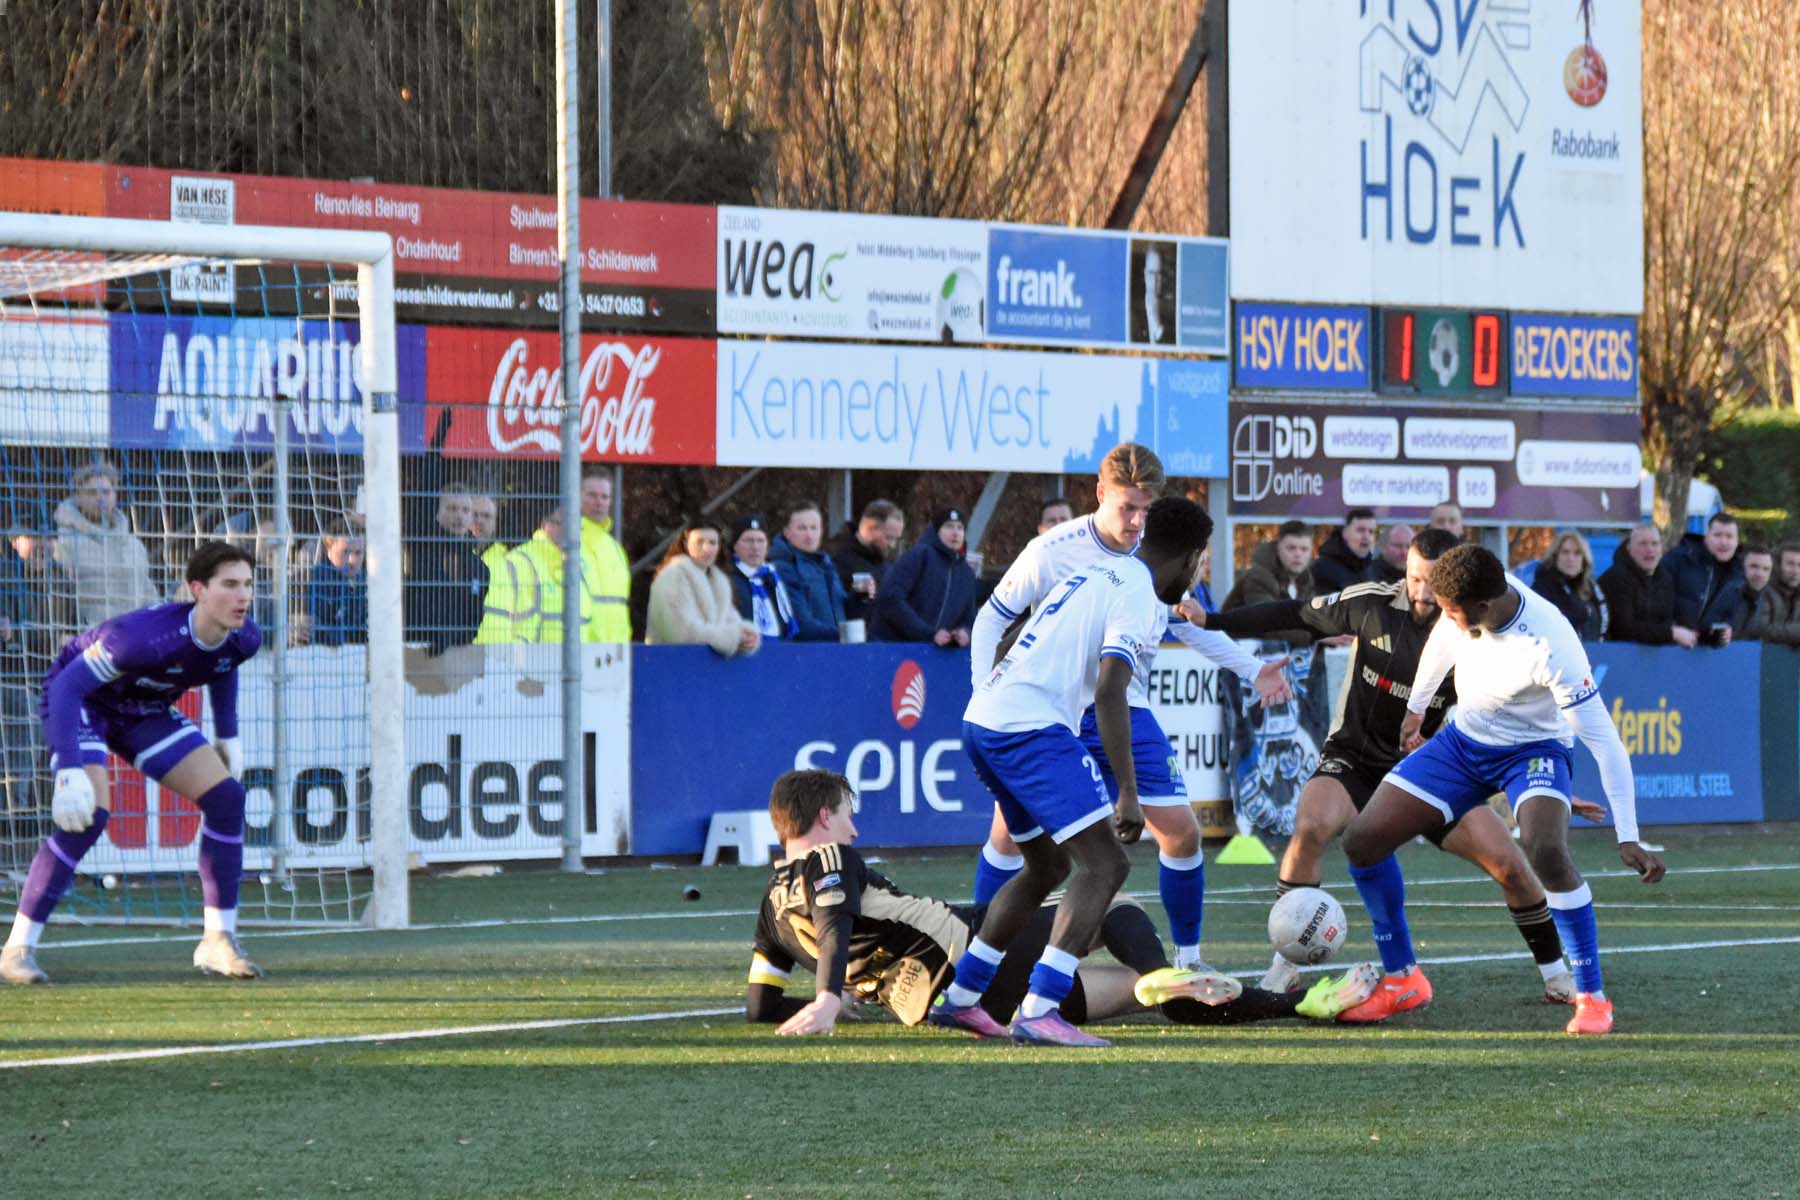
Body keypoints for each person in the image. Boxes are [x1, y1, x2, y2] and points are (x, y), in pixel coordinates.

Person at [1194, 528, 1582, 1005]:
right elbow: (1296, 614)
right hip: (1354, 761)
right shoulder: (1371, 603)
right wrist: (1214, 619)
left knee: (1512, 867)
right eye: (1413, 578)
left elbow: (1516, 726)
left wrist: (1541, 785)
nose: (1420, 592)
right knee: (1311, 826)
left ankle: (1556, 975)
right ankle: (1285, 963)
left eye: (1431, 583)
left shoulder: (1478, 635)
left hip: (1431, 772)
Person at [966, 445, 1288, 974]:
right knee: (1009, 836)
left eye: (1147, 509)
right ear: (1099, 494)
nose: (1138, 521)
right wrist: (985, 691)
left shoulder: (1158, 556)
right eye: (1127, 508)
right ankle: (977, 948)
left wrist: (1253, 670)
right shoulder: (1050, 552)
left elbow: (1184, 622)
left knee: (1181, 833)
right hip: (1051, 712)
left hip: (1123, 707)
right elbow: (991, 620)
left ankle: (1188, 963)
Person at [749, 769, 1378, 1037]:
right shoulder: (829, 858)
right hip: (977, 951)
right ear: (824, 816)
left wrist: (835, 1000)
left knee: (1138, 996)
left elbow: (760, 1006)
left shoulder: (768, 909)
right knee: (1111, 897)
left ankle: (1295, 1002)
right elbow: (833, 922)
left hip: (944, 1006)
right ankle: (1164, 970)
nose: (854, 828)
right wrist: (828, 998)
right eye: (848, 814)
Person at [931, 496, 1231, 1047]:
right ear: (1189, 559)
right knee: (1106, 865)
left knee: (1046, 867)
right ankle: (1040, 1008)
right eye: (1200, 564)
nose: (1196, 577)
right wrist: (1129, 793)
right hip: (1029, 728)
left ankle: (964, 997)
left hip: (986, 719)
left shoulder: (1098, 570)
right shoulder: (1138, 593)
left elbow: (1016, 633)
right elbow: (1112, 690)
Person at [1340, 544, 1666, 1036]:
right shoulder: (1468, 601)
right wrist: (1416, 709)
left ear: (1483, 607)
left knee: (1545, 851)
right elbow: (1442, 641)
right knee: (1362, 841)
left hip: (1533, 751)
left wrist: (1628, 835)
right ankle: (1403, 979)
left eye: (1453, 612)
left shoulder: (1550, 643)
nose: (1446, 618)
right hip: (1462, 744)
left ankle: (1592, 998)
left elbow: (1605, 742)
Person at [1, 542, 267, 986]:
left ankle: (218, 939)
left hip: (142, 710)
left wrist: (228, 735)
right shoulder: (141, 638)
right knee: (88, 817)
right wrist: (69, 769)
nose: (242, 596)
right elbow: (67, 687)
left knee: (226, 799)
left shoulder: (246, 637)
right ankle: (16, 949)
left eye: (248, 585)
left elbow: (223, 664)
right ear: (198, 589)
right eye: (229, 585)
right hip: (83, 703)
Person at [52, 461, 159, 628]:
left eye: (106, 492)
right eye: (91, 493)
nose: (100, 498)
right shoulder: (64, 542)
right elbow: (59, 599)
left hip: (136, 635)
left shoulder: (134, 545)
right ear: (77, 497)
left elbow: (148, 594)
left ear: (115, 495)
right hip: (91, 637)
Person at [645, 518, 760, 657]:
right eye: (699, 542)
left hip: (702, 664)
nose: (707, 548)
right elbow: (681, 632)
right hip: (669, 662)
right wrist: (732, 638)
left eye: (713, 543)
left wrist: (745, 635)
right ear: (686, 544)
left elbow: (730, 621)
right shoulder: (672, 576)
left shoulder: (718, 581)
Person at [403, 482, 489, 655]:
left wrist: (453, 640)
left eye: (465, 510)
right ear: (438, 514)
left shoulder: (479, 568)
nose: (459, 515)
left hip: (457, 655)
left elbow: (474, 617)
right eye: (452, 508)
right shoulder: (419, 553)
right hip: (416, 651)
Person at [876, 506, 977, 647]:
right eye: (949, 526)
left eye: (960, 528)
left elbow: (969, 618)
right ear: (936, 531)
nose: (955, 533)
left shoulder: (966, 573)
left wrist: (966, 633)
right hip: (897, 647)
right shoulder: (919, 555)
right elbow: (890, 598)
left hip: (939, 652)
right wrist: (928, 633)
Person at [477, 508, 571, 645]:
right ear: (545, 524)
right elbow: (496, 619)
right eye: (560, 523)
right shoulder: (518, 561)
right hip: (527, 655)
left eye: (573, 525)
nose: (567, 531)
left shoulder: (580, 565)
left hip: (578, 655)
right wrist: (500, 655)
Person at [1221, 520, 1320, 646]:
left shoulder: (1306, 581)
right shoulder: (1258, 577)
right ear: (1278, 548)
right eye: (1291, 548)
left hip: (1277, 652)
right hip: (1236, 651)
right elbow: (1269, 624)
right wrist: (1316, 635)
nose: (1297, 554)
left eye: (1304, 549)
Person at [1598, 524, 1694, 646]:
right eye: (1642, 544)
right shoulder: (1616, 578)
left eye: (1655, 544)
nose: (1649, 549)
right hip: (1614, 653)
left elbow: (1668, 621)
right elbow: (1624, 629)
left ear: (1661, 549)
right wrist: (1671, 633)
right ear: (1629, 548)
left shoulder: (1666, 579)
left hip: (1656, 655)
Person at [1663, 512, 1745, 646]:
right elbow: (1655, 601)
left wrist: (1726, 630)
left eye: (1729, 536)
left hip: (1703, 652)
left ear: (1737, 541)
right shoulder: (1679, 559)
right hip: (1665, 646)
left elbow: (1731, 615)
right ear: (1706, 537)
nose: (1723, 542)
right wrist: (1672, 630)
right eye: (1717, 535)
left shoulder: (1738, 574)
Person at [768, 501, 846, 642]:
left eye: (814, 528)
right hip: (807, 651)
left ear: (822, 531)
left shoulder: (826, 564)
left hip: (836, 648)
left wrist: (861, 597)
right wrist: (843, 634)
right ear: (786, 532)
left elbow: (843, 608)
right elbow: (801, 625)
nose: (809, 535)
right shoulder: (783, 567)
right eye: (802, 528)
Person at [825, 500, 904, 628]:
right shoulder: (836, 560)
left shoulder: (887, 564)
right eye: (889, 538)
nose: (892, 545)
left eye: (896, 539)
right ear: (870, 528)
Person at [578, 471, 632, 643]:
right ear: (578, 497)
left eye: (604, 497)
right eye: (592, 495)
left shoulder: (616, 549)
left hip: (615, 647)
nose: (599, 502)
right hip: (580, 646)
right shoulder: (567, 542)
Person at [727, 514, 798, 642]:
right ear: (735, 545)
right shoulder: (727, 581)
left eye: (760, 541)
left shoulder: (774, 580)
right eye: (748, 541)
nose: (755, 547)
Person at [1531, 530, 1605, 640]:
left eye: (1577, 553)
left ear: (1584, 559)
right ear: (1555, 557)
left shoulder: (1591, 588)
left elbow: (1604, 621)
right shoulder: (1542, 587)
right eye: (1565, 552)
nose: (1571, 558)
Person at [307, 519, 369, 646]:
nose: (352, 560)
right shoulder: (316, 579)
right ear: (328, 550)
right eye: (345, 552)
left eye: (358, 553)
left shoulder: (368, 582)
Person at [1309, 509, 1381, 593]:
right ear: (1345, 532)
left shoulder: (1373, 569)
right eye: (1360, 530)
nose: (1366, 537)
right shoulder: (1322, 568)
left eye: (1371, 532)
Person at [1746, 541, 1800, 646]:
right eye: (1790, 564)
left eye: (1799, 565)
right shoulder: (1763, 590)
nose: (1796, 571)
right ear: (1777, 565)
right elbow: (1762, 630)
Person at [1731, 545, 1773, 638]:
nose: (1760, 574)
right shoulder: (1723, 597)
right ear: (1741, 567)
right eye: (1754, 566)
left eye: (1766, 569)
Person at [470, 493, 510, 585]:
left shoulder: (507, 557)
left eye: (486, 516)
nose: (479, 521)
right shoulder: (455, 552)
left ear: (495, 523)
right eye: (474, 515)